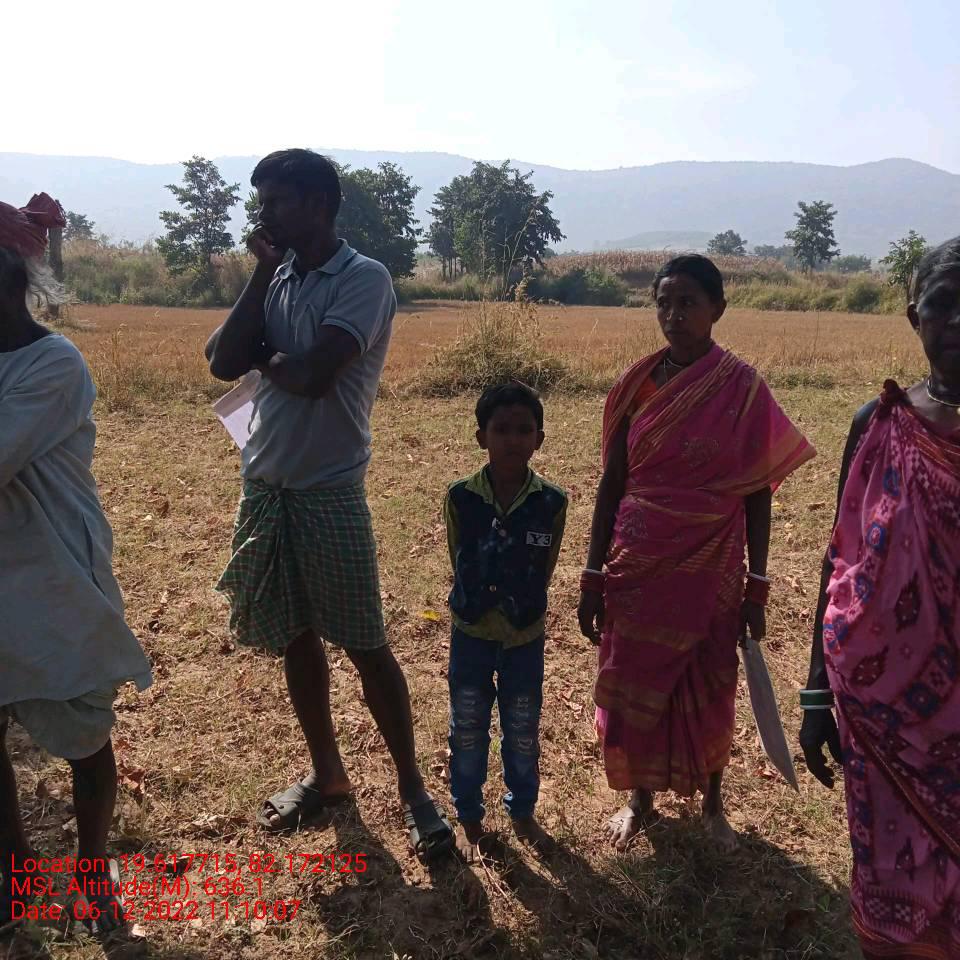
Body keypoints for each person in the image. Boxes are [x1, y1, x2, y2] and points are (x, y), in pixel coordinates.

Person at [205, 149, 454, 860]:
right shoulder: (279, 276)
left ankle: (413, 791)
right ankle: (329, 774)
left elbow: (313, 375)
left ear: (318, 205)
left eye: (277, 201)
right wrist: (261, 274)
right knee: (295, 637)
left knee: (366, 645)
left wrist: (265, 356)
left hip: (329, 490)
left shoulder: (364, 279)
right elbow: (222, 362)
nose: (264, 214)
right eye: (262, 201)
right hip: (267, 485)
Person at [578, 254, 815, 852]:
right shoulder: (636, 384)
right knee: (634, 675)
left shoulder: (742, 389)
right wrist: (592, 571)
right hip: (638, 562)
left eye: (687, 303)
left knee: (711, 678)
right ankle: (640, 799)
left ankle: (713, 804)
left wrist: (758, 583)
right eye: (663, 303)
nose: (673, 315)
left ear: (718, 309)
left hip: (714, 563)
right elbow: (612, 482)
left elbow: (757, 491)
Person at [801, 237, 960, 959]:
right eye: (944, 304)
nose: (958, 321)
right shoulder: (878, 423)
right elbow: (842, 558)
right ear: (913, 316)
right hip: (880, 714)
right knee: (890, 896)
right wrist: (814, 693)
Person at [0, 195, 152, 931]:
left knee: (85, 740)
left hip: (55, 579)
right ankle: (17, 874)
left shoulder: (53, 364)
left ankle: (93, 875)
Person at [443, 383, 567, 862]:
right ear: (481, 437)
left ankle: (523, 810)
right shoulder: (460, 497)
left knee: (521, 726)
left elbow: (546, 566)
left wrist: (521, 603)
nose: (512, 439)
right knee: (468, 724)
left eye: (523, 430)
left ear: (539, 438)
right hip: (471, 634)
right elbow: (457, 556)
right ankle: (468, 814)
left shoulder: (552, 502)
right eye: (500, 429)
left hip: (524, 637)